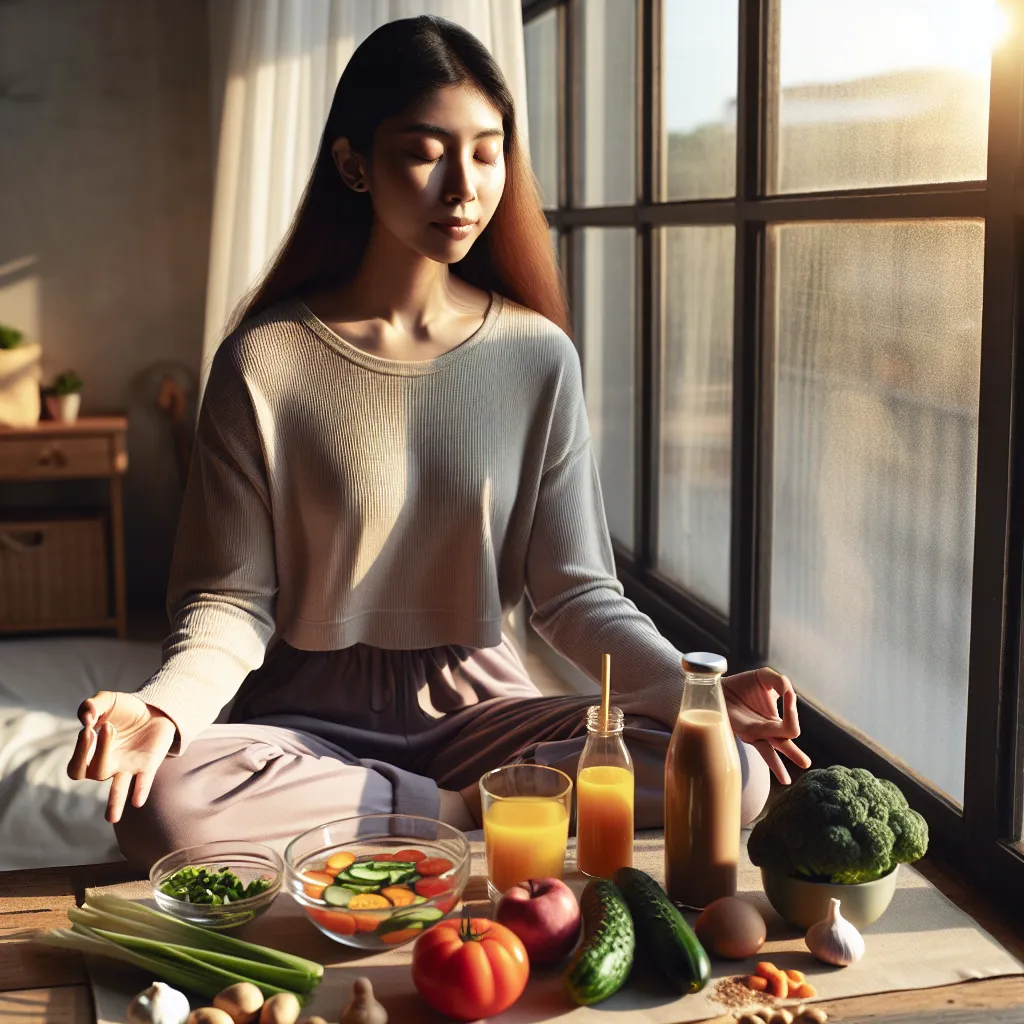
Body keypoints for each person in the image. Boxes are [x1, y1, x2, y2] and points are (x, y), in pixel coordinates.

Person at [67, 16, 809, 869]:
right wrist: (162, 711)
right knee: (163, 807)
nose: (464, 186)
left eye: (487, 152)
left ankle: (411, 816)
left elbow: (575, 598)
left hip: (486, 719)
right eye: (426, 151)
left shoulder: (536, 356)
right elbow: (231, 607)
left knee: (734, 771)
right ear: (353, 165)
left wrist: (698, 694)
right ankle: (465, 813)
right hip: (305, 728)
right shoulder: (264, 360)